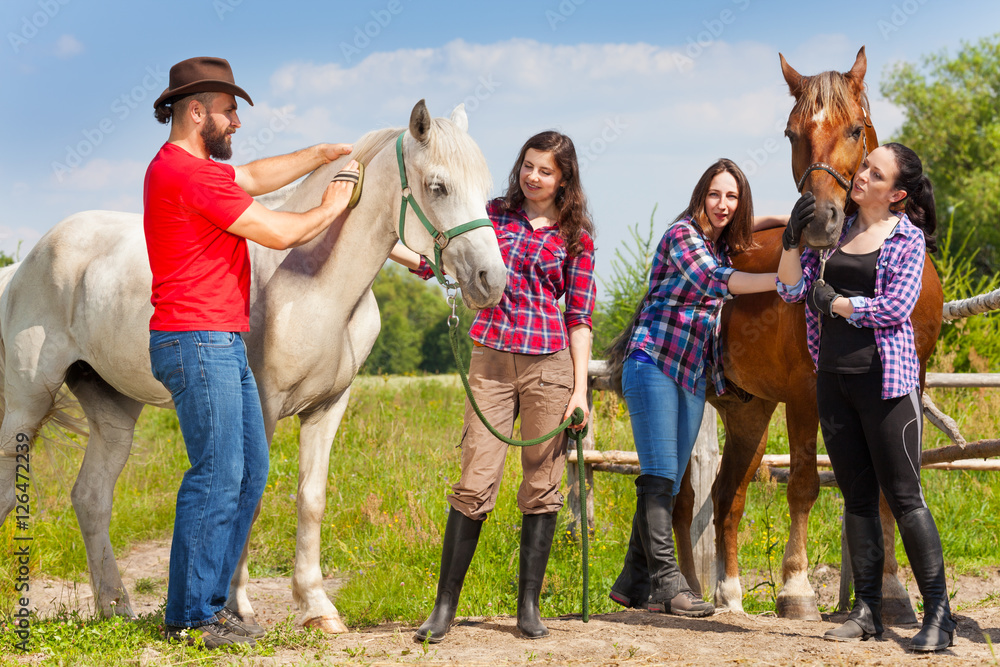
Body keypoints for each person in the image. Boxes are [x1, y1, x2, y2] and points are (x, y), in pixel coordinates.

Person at [144, 56, 360, 649]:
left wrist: (316, 156)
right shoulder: (190, 177)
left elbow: (258, 175)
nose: (236, 121)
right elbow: (282, 231)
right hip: (197, 340)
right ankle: (189, 617)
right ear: (197, 112)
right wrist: (334, 205)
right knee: (216, 475)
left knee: (250, 471)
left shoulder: (193, 169)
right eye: (229, 109)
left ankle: (211, 606)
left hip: (220, 340)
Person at [390, 131, 595, 642]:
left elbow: (580, 317)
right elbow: (443, 249)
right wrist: (402, 254)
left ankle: (528, 606)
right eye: (528, 165)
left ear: (563, 178)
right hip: (491, 360)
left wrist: (579, 391)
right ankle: (443, 609)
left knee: (541, 486)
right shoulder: (491, 214)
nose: (533, 176)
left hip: (551, 365)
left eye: (545, 170)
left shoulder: (577, 237)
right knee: (475, 479)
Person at [777, 143, 953, 652]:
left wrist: (841, 304)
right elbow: (791, 292)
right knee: (855, 500)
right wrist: (792, 241)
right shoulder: (834, 236)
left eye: (875, 173)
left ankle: (939, 615)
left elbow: (897, 306)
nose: (862, 176)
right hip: (833, 381)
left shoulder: (906, 239)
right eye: (864, 167)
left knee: (904, 498)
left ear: (896, 194)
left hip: (887, 384)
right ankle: (868, 610)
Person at [606, 159, 779, 617]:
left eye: (732, 197)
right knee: (662, 476)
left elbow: (751, 226)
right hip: (653, 364)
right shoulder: (683, 237)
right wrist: (780, 282)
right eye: (715, 194)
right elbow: (715, 281)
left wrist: (791, 216)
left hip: (690, 375)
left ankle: (631, 580)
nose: (722, 205)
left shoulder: (720, 243)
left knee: (667, 476)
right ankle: (668, 583)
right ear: (700, 195)